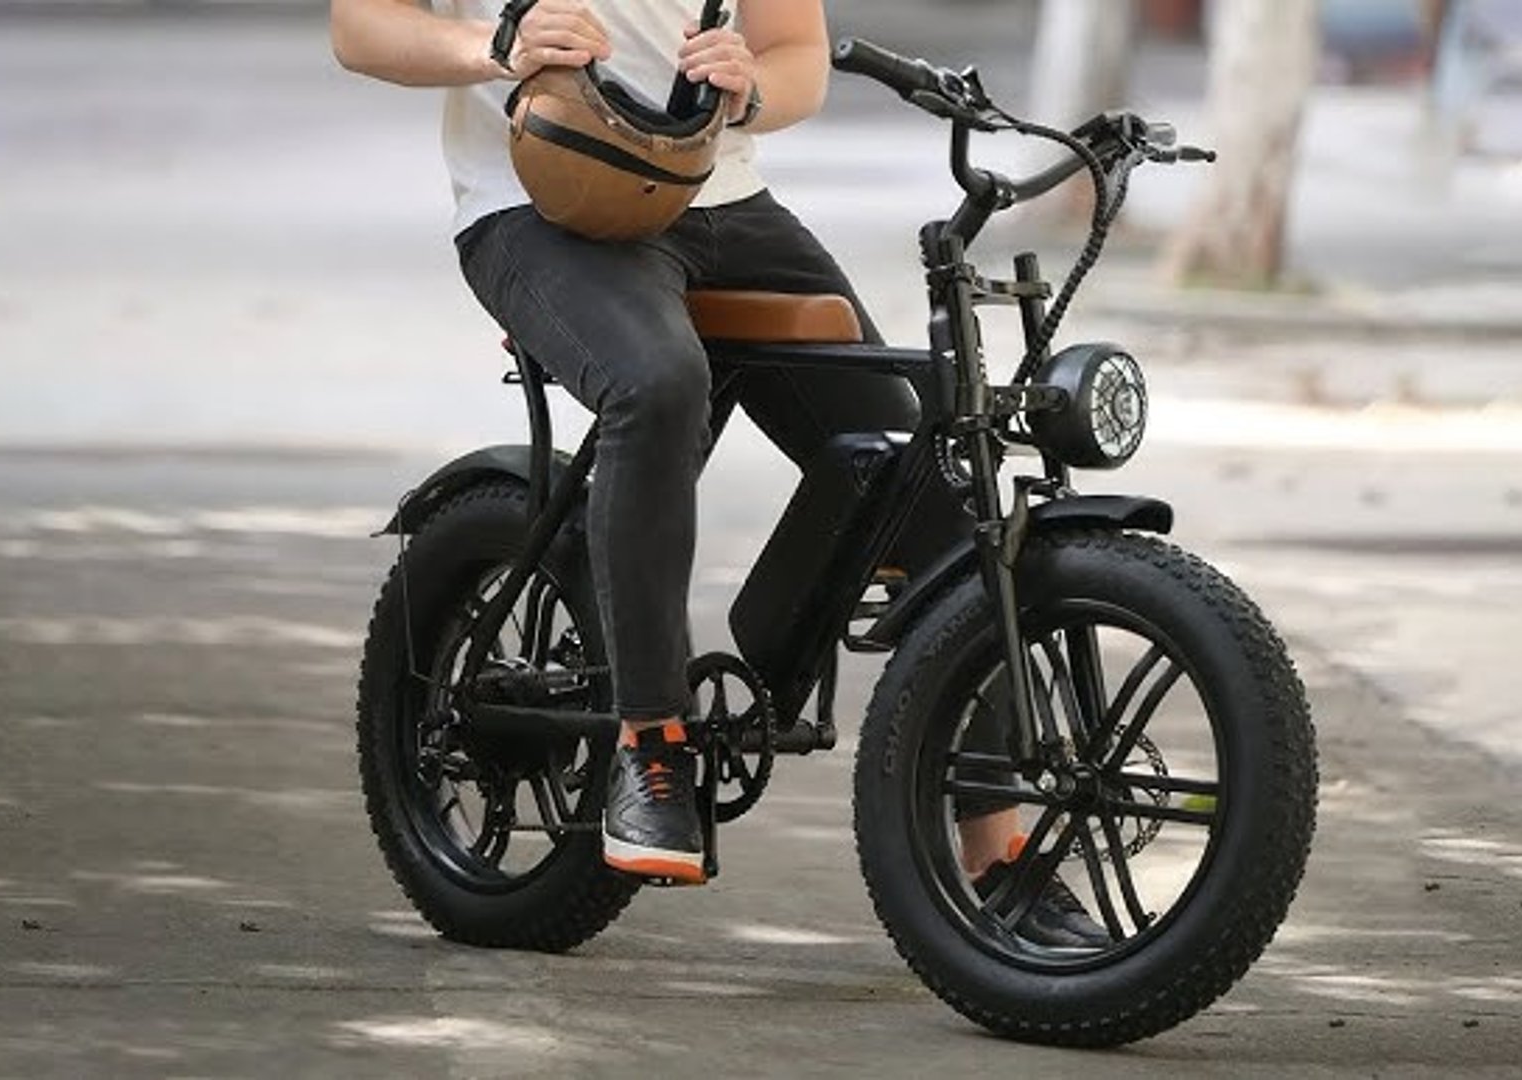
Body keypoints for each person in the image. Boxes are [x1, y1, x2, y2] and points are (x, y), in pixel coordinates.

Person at [329, 0, 1106, 944]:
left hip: (722, 203)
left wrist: (750, 92)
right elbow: (361, 28)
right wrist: (493, 48)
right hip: (539, 200)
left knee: (918, 482)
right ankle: (647, 746)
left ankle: (995, 850)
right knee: (656, 386)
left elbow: (797, 55)